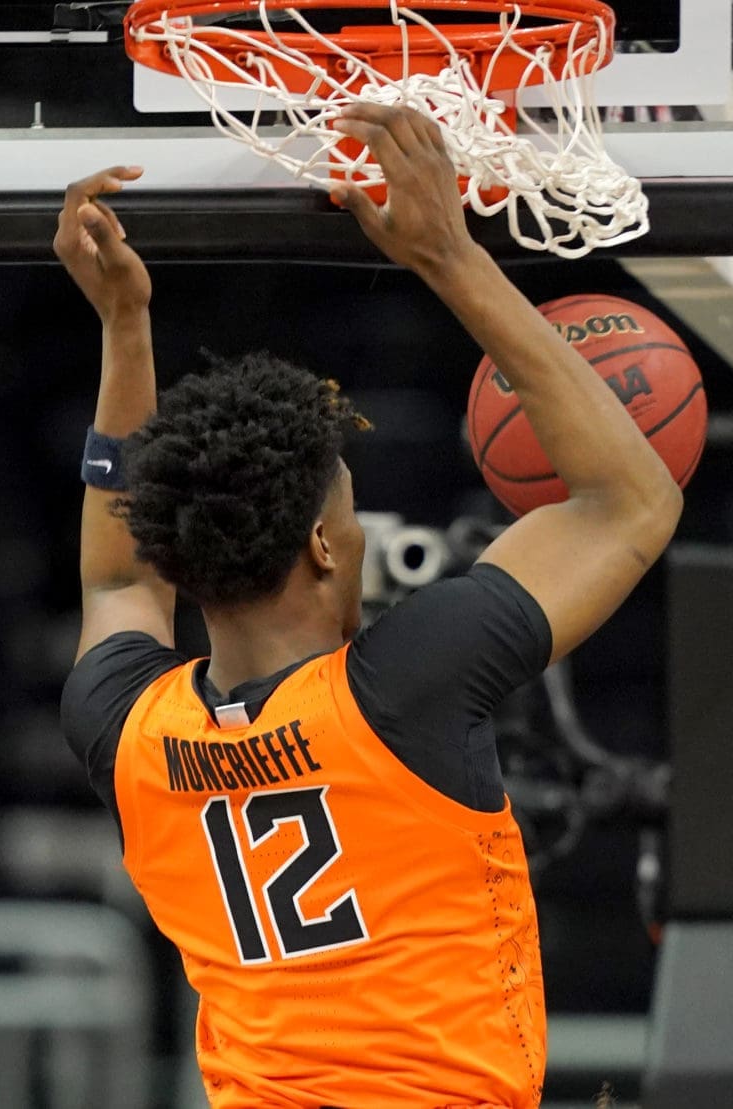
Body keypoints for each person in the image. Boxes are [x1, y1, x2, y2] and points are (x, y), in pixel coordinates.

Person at [53, 104, 683, 1108]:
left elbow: (119, 581)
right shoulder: (403, 688)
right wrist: (449, 256)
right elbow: (629, 500)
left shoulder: (127, 729)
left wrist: (122, 330)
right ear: (319, 544)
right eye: (346, 515)